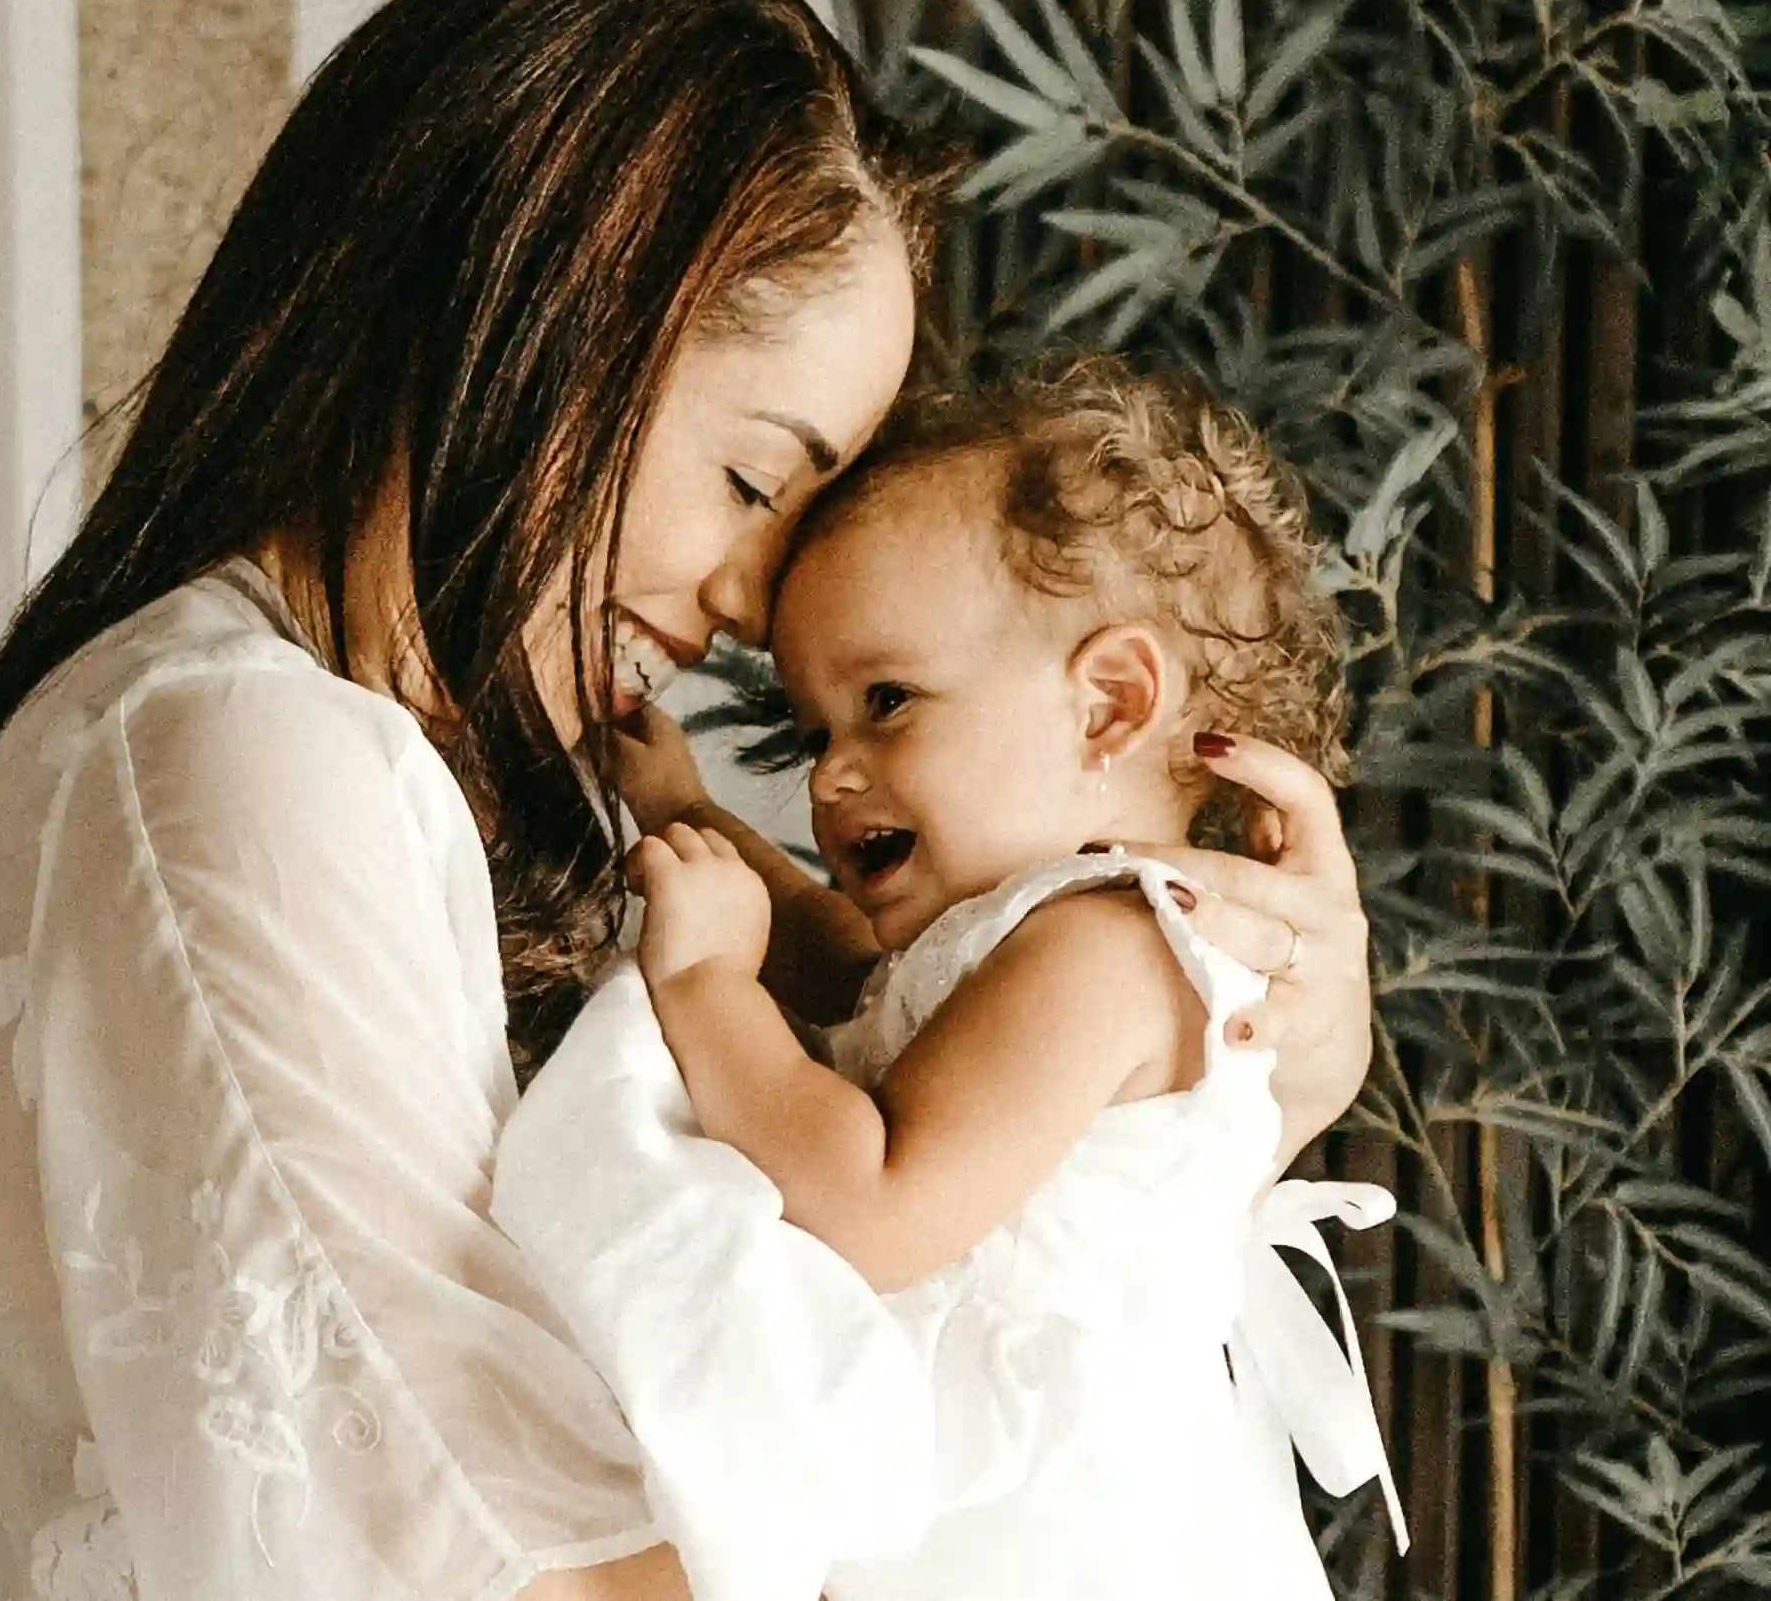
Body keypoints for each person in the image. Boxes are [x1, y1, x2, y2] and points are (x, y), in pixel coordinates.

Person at [0, 0, 1378, 1601]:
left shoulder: (343, 750)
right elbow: (478, 1539)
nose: (758, 609)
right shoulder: (241, 750)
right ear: (567, 305)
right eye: (758, 482)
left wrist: (1255, 1074)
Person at [495, 356, 1403, 1601]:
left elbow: (872, 1206)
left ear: (1108, 706)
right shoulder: (1026, 936)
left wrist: (707, 987)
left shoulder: (1109, 952)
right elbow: (858, 972)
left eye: (886, 702)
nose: (828, 778)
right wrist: (685, 808)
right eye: (817, 731)